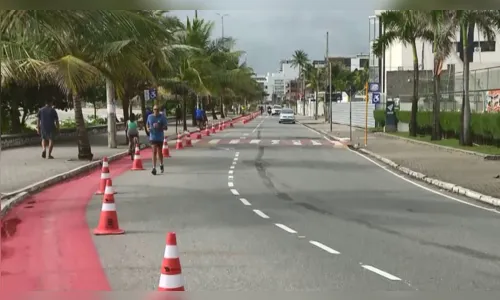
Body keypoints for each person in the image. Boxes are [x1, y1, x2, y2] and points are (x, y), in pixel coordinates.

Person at [146, 105, 168, 175]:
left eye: (157, 109)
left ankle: (161, 164)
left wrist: (160, 126)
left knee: (159, 152)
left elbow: (166, 127)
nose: (156, 111)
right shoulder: (150, 117)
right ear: (153, 110)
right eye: (155, 109)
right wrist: (148, 129)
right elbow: (147, 125)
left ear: (159, 110)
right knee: (154, 151)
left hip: (160, 137)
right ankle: (154, 168)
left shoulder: (162, 117)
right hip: (152, 137)